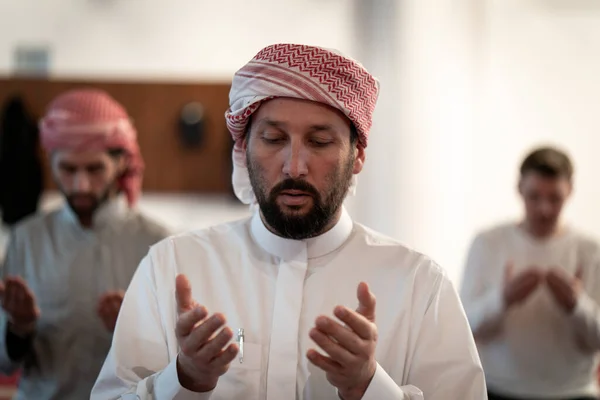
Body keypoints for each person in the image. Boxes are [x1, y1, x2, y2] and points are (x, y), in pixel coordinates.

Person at [92, 43, 486, 400]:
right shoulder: (170, 266)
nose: (294, 166)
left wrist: (368, 386)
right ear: (244, 148)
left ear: (358, 155)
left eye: (318, 142)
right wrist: (184, 379)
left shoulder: (419, 284)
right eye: (274, 138)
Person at [0, 89, 170, 399]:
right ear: (51, 164)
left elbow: (180, 366)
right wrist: (19, 328)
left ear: (120, 165)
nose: (80, 184)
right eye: (68, 169)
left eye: (94, 169)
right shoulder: (26, 239)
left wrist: (133, 334)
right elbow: (4, 361)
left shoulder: (157, 244)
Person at [460, 146, 600, 400]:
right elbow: (465, 327)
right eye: (534, 196)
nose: (544, 208)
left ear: (570, 191)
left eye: (554, 198)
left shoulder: (591, 251)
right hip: (500, 389)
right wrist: (504, 298)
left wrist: (576, 305)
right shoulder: (488, 243)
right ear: (519, 189)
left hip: (574, 392)